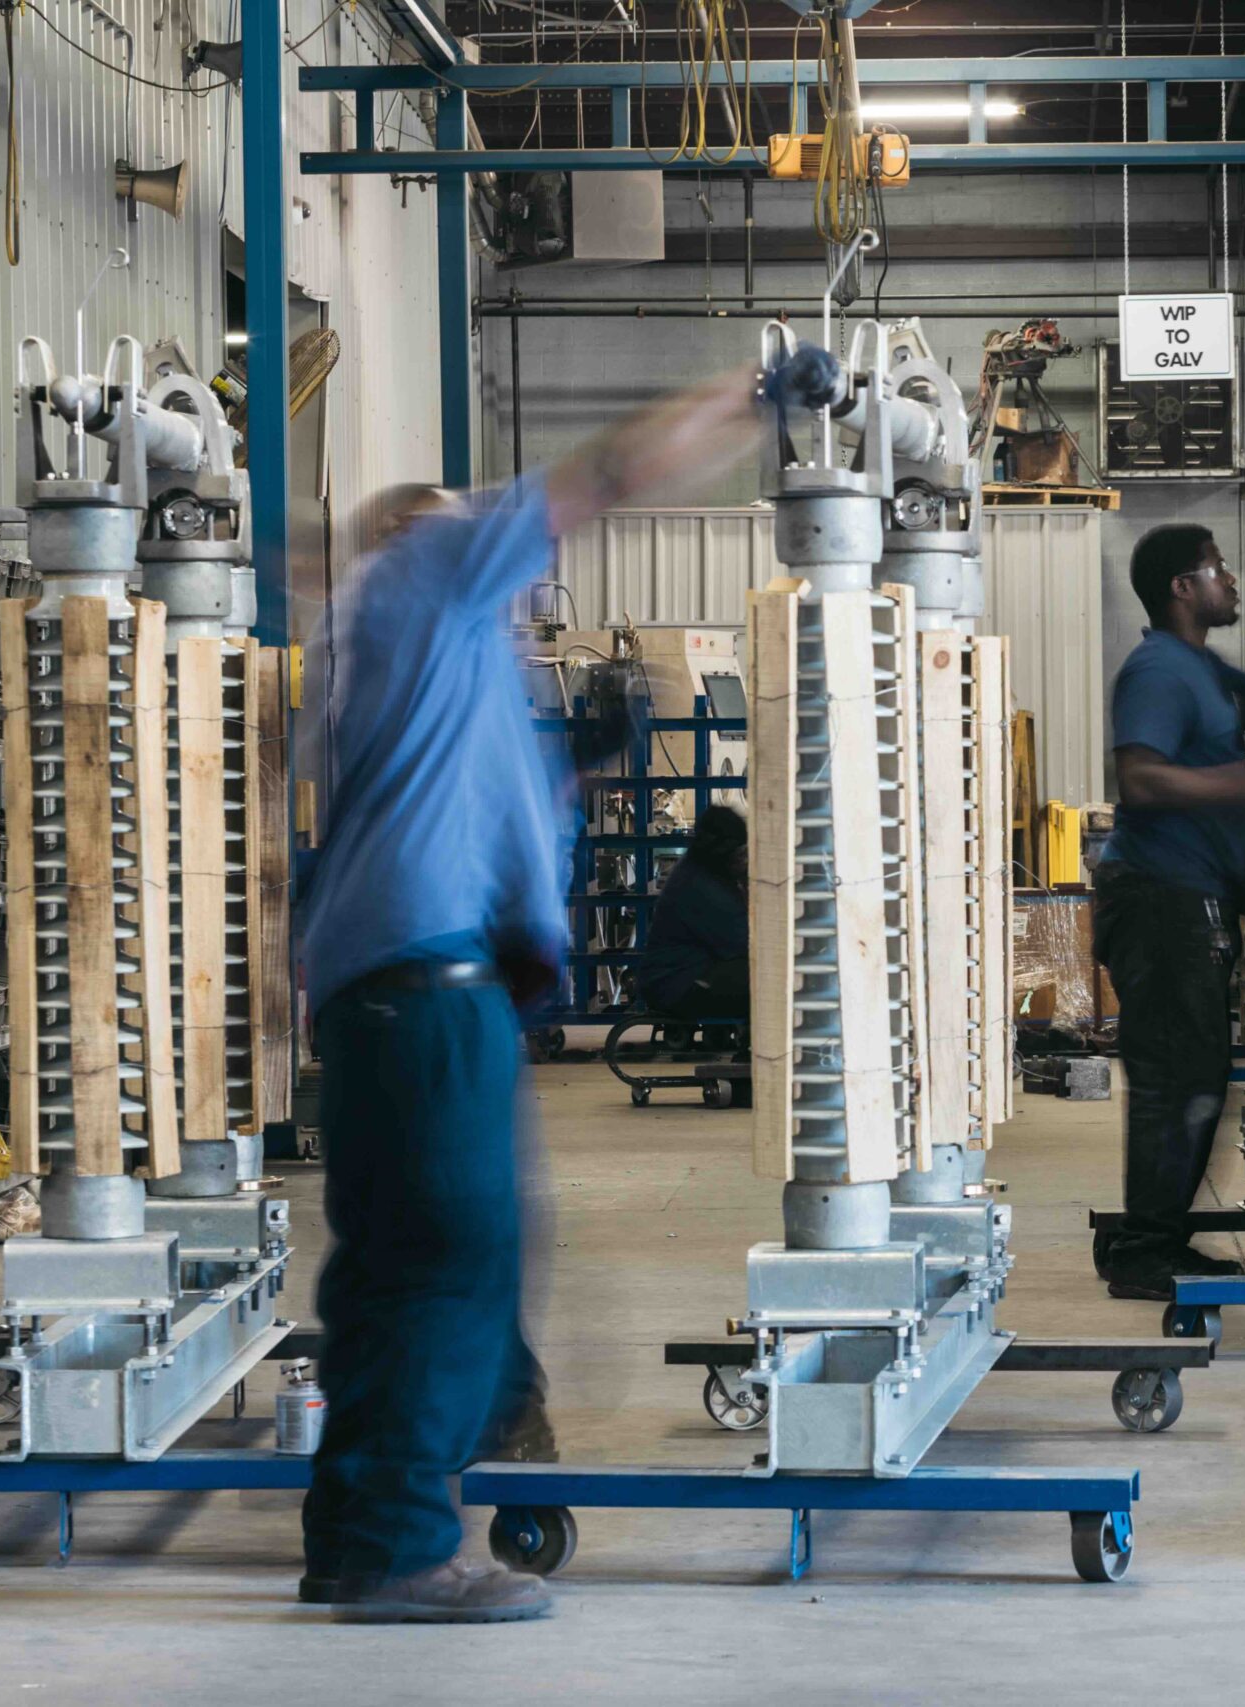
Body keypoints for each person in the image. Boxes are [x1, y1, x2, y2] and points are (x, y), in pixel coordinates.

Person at [296, 365, 762, 1624]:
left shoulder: (383, 651)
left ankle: (348, 1534)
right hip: (427, 984)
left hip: (387, 991)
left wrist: (581, 782)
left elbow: (469, 807)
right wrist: (746, 396)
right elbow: (598, 477)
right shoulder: (425, 579)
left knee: (390, 1264)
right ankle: (402, 1549)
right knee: (458, 1254)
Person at [1090, 523, 1245, 1301]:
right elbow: (1142, 780)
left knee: (1196, 1073)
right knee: (1176, 1078)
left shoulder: (1204, 669)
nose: (1232, 579)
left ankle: (1150, 1236)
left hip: (1191, 898)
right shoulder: (1157, 668)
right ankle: (1145, 1251)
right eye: (1218, 568)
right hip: (1161, 899)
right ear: (1182, 588)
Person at [640, 803, 750, 1024]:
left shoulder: (701, 869)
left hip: (684, 974)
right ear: (723, 851)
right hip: (677, 986)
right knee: (768, 977)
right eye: (740, 853)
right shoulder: (703, 888)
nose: (743, 859)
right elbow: (745, 943)